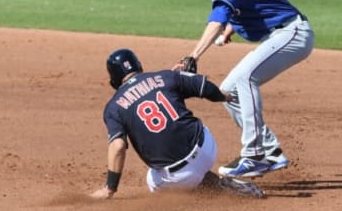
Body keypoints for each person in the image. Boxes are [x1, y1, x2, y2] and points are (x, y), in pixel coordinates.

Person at [175, 0, 315, 178]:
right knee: (228, 90)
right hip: (281, 34)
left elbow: (216, 20)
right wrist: (232, 29)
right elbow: (252, 5)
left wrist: (193, 55)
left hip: (292, 33)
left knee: (245, 78)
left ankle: (254, 155)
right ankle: (271, 152)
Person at [91, 48, 265, 199]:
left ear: (113, 79)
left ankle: (213, 186)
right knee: (192, 127)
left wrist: (110, 188)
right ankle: (204, 179)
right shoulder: (166, 76)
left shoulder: (113, 108)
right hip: (207, 149)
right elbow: (206, 87)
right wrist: (223, 96)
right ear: (138, 65)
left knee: (153, 181)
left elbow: (118, 146)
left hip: (178, 177)